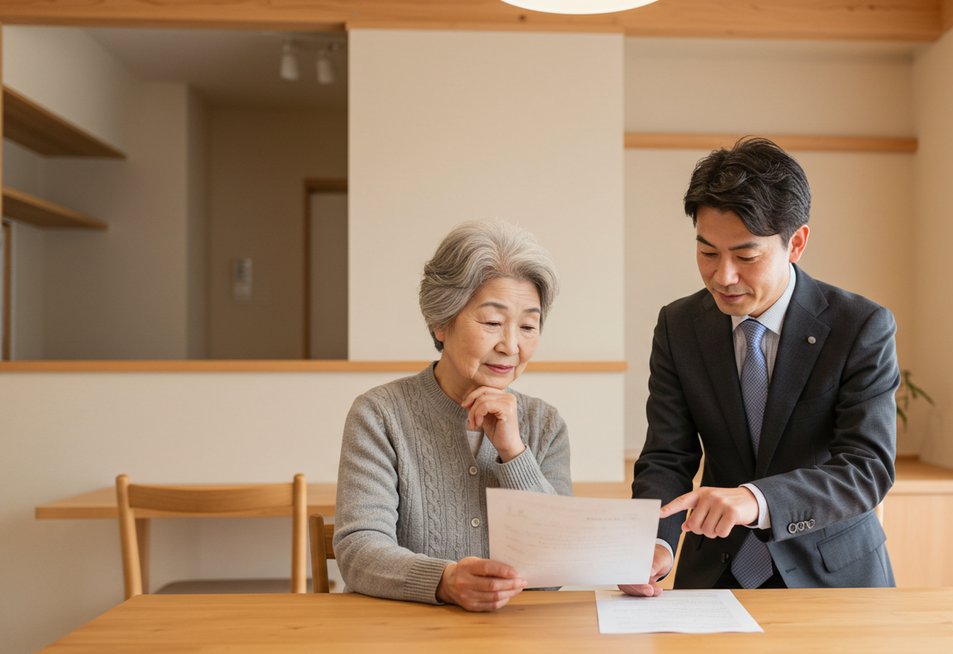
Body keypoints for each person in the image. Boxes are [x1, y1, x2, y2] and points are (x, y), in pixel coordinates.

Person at [621, 137, 899, 596]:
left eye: (746, 256)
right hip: (715, 573)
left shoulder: (860, 326)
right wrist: (653, 543)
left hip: (831, 578)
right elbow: (667, 456)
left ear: (797, 243)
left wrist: (756, 499)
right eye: (707, 252)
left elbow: (866, 467)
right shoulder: (679, 325)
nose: (722, 276)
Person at [335, 220, 571, 611]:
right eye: (493, 322)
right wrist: (444, 582)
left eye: (528, 325)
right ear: (440, 322)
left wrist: (514, 453)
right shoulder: (379, 414)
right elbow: (359, 550)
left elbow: (559, 565)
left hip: (514, 638)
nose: (511, 345)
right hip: (401, 633)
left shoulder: (545, 424)